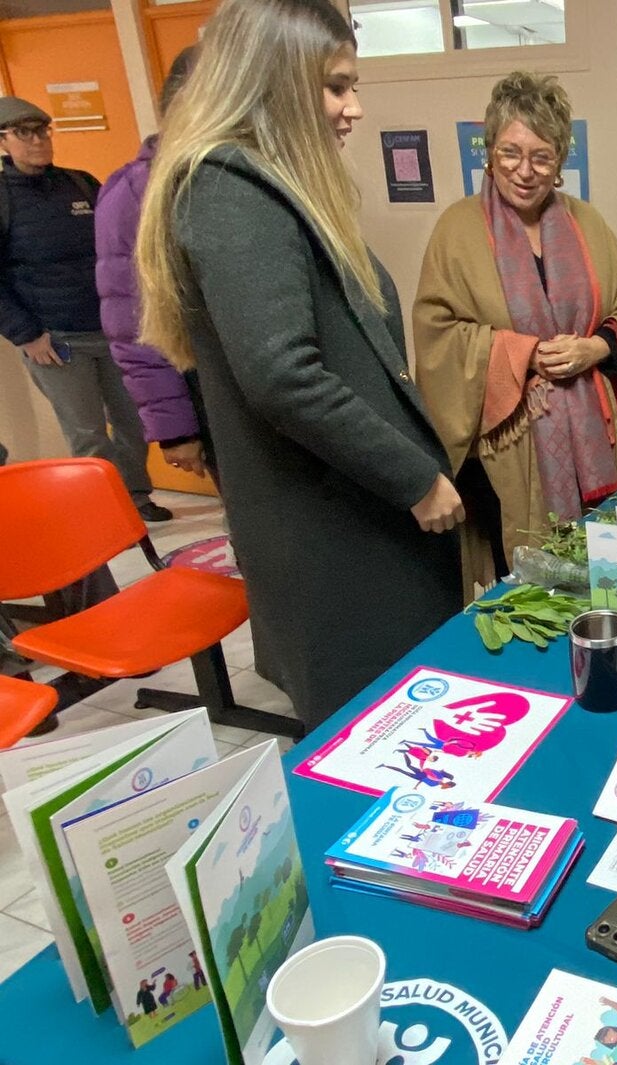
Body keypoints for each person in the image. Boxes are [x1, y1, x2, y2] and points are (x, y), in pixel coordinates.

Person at [136, 0, 463, 727]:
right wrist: (415, 476)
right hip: (330, 537)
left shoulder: (269, 187)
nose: (353, 109)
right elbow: (283, 374)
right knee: (374, 742)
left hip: (348, 521)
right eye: (336, 86)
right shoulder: (230, 191)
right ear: (273, 81)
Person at [414, 71, 617, 598]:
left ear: (561, 159)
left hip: (593, 433)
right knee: (525, 587)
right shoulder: (458, 230)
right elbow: (437, 336)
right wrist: (519, 353)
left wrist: (597, 347)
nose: (525, 171)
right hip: (508, 454)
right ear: (490, 151)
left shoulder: (587, 224)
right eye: (510, 153)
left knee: (603, 575)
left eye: (542, 156)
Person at [0, 96, 170, 522]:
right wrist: (26, 335)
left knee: (134, 421)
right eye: (25, 132)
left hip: (112, 330)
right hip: (55, 342)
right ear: (3, 142)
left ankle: (134, 496)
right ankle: (105, 510)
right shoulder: (3, 199)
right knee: (87, 432)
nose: (40, 140)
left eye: (44, 129)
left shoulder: (81, 184)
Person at [96, 47, 214, 484]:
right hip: (205, 396)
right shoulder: (134, 192)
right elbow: (133, 321)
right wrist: (175, 429)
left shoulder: (234, 178)